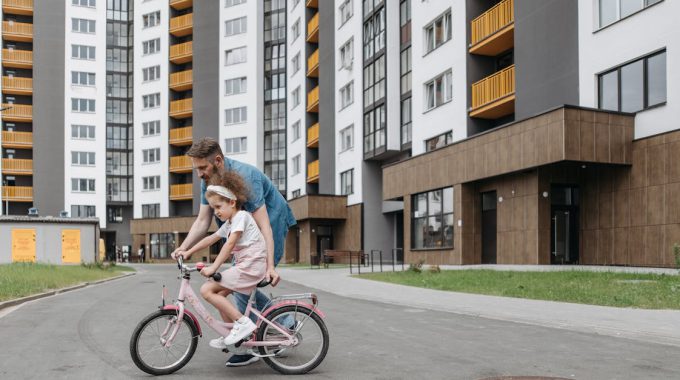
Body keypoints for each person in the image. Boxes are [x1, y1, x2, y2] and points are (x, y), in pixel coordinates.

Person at [171, 137, 297, 367]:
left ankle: (253, 339)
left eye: (202, 167)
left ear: (218, 160)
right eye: (196, 168)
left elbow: (265, 226)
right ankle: (278, 323)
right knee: (238, 285)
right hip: (239, 231)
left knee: (243, 283)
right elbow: (202, 221)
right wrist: (184, 247)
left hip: (271, 222)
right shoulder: (208, 181)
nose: (199, 174)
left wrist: (269, 266)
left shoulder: (246, 178)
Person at [172, 171, 266, 349]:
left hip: (251, 268)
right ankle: (232, 334)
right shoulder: (230, 223)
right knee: (220, 295)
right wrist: (187, 250)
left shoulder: (241, 217)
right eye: (213, 208)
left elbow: (229, 244)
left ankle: (242, 323)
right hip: (247, 267)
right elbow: (211, 238)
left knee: (207, 289)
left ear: (232, 202)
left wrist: (213, 268)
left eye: (218, 207)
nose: (216, 212)